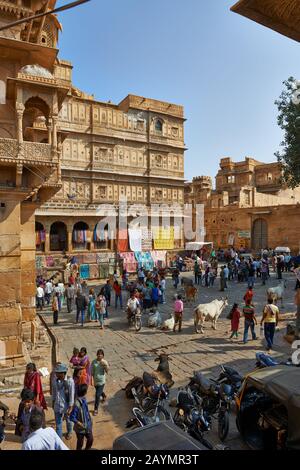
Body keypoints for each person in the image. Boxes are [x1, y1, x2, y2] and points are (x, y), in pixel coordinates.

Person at [51, 363, 75, 440]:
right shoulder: (55, 380)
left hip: (66, 406)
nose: (56, 374)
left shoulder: (69, 381)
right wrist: (53, 401)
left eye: (57, 373)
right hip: (57, 405)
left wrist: (71, 407)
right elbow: (54, 392)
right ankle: (59, 439)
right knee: (58, 424)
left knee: (68, 421)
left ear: (63, 373)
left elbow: (72, 394)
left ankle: (70, 432)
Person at [70, 384, 93, 451]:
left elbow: (86, 411)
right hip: (80, 428)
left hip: (87, 425)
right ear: (84, 392)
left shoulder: (84, 400)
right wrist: (79, 423)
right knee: (80, 442)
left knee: (90, 439)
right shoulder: (76, 404)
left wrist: (90, 420)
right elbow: (72, 417)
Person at [91, 349, 109, 416]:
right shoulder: (94, 362)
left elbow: (107, 371)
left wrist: (105, 366)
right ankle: (104, 395)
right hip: (96, 380)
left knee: (97, 395)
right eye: (98, 354)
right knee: (99, 391)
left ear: (103, 356)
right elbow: (92, 371)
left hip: (102, 381)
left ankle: (96, 409)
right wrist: (91, 379)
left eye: (101, 355)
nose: (99, 356)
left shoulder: (104, 362)